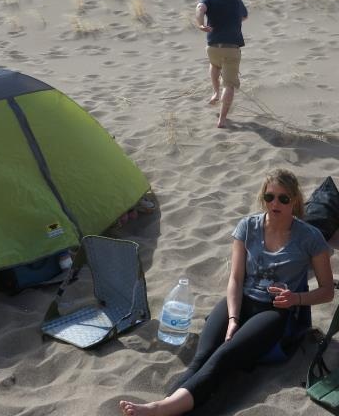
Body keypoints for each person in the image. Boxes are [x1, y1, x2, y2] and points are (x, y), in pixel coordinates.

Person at [120, 168, 334, 416]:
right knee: (201, 358)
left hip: (275, 311)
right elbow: (235, 278)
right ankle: (164, 406)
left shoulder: (310, 238)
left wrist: (296, 298)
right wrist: (233, 319)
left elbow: (327, 291)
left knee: (223, 357)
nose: (275, 203)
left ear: (295, 200)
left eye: (283, 198)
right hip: (241, 301)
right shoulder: (248, 226)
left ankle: (160, 408)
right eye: (269, 197)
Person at [195, 0, 248, 128]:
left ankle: (216, 92)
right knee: (229, 85)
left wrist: (201, 24)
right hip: (231, 48)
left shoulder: (209, 0)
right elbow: (244, 17)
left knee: (214, 65)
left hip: (212, 47)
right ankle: (222, 119)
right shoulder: (236, 0)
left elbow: (200, 8)